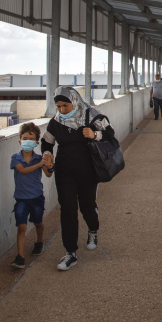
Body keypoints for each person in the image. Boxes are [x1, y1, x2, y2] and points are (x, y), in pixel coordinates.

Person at [41, 86, 115, 271]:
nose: (62, 110)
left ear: (74, 101)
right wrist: (48, 155)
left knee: (87, 206)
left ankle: (92, 230)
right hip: (64, 171)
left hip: (88, 171)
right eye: (58, 106)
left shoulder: (91, 116)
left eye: (65, 105)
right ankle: (70, 253)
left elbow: (110, 134)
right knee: (67, 209)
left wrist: (95, 134)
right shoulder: (55, 122)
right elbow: (46, 142)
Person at [11, 122, 53, 269]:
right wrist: (40, 164)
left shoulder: (39, 159)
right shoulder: (16, 158)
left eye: (30, 139)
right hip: (21, 199)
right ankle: (20, 257)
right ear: (19, 140)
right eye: (24, 138)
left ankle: (39, 241)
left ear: (36, 142)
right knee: (21, 227)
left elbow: (48, 174)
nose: (26, 141)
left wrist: (49, 165)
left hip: (36, 198)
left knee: (38, 223)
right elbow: (22, 171)